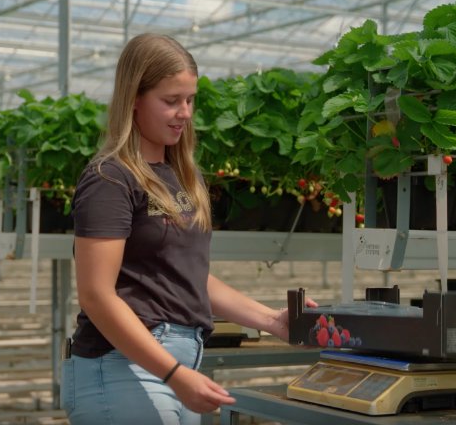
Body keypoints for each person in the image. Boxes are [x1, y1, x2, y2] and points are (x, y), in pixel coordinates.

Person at [61, 33, 317, 425]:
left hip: (174, 365)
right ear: (133, 99)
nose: (184, 112)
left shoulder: (181, 176)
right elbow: (96, 296)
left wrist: (270, 320)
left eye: (189, 99)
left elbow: (190, 278)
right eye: (170, 101)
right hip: (122, 367)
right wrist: (173, 373)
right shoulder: (110, 180)